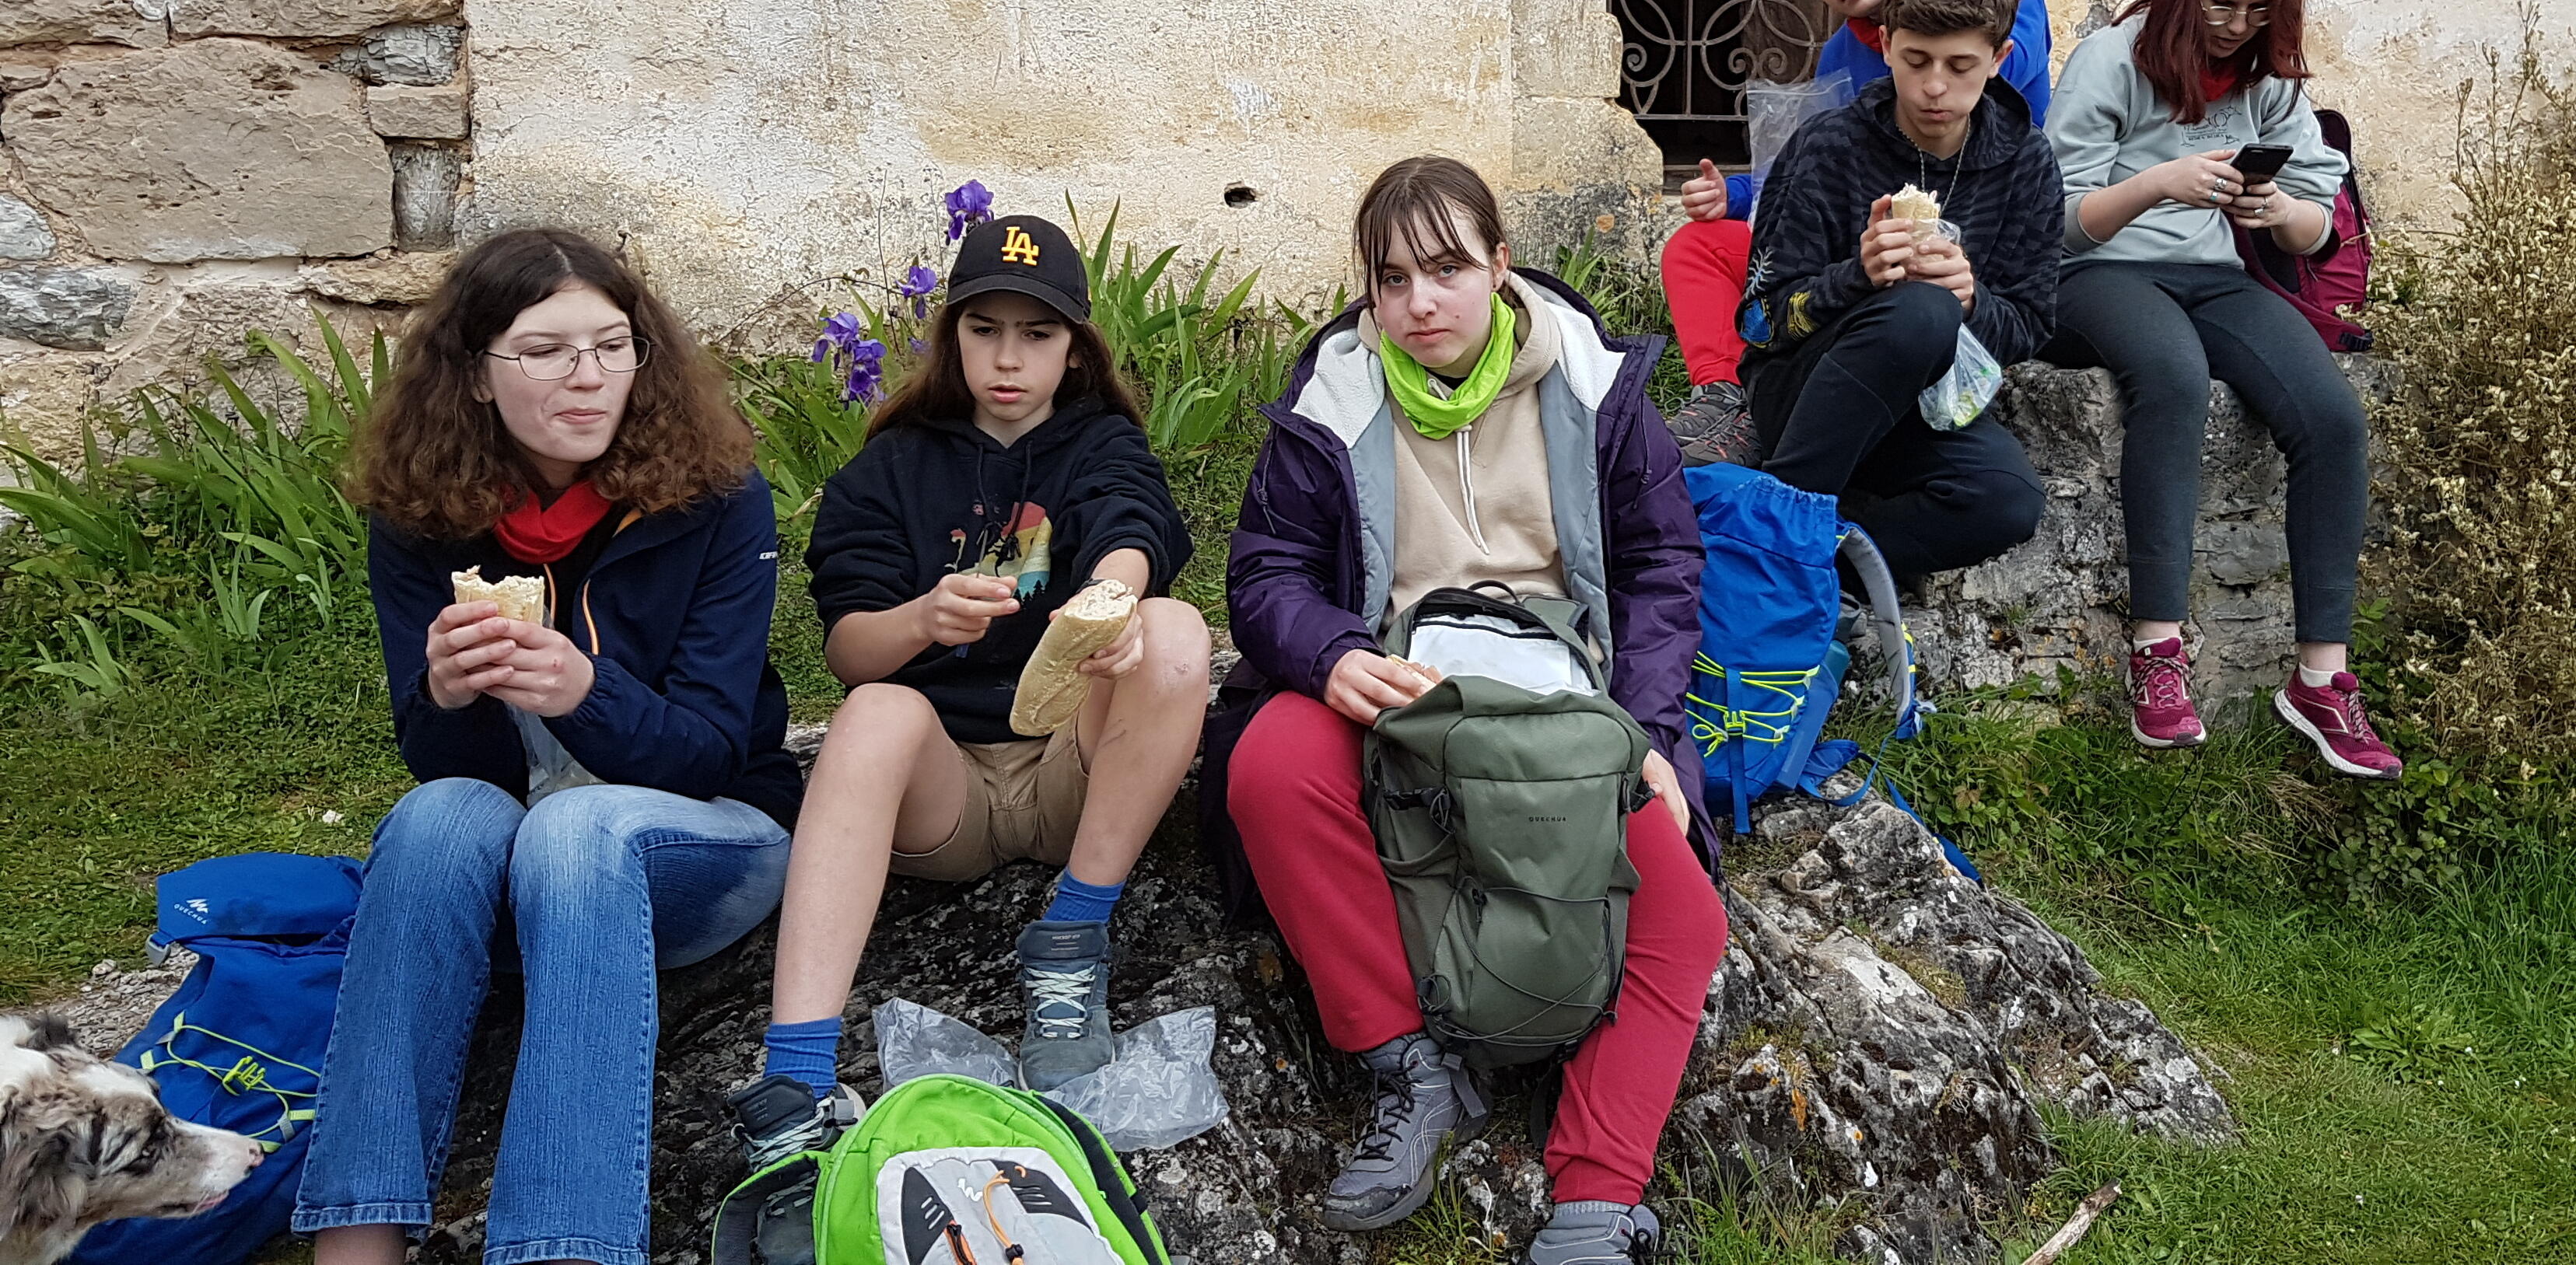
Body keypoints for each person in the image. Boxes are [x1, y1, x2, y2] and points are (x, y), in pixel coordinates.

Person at [1222, 157, 1723, 1264]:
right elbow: (1265, 574)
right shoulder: (1334, 396)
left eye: (1447, 268)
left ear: (1501, 265)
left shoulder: (1591, 386)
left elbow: (1662, 567)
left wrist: (1646, 734)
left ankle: (1594, 1199)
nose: (1419, 303)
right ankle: (1414, 1070)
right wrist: (1331, 655)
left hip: (1563, 701)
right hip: (1400, 687)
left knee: (1683, 916)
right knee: (1270, 766)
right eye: (1392, 279)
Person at [302, 229, 803, 1265]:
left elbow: (713, 752)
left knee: (576, 828)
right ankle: (357, 1239)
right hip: (522, 870)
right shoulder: (420, 515)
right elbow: (452, 770)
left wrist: (586, 694)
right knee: (434, 815)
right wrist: (447, 697)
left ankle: (563, 1247)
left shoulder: (716, 496)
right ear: (476, 374)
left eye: (613, 346)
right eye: (544, 351)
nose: (588, 377)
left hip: (704, 843)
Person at [723, 212, 1209, 1169]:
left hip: (1074, 770)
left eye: (1037, 333)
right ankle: (796, 1080)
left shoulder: (1098, 440)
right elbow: (849, 650)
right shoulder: (890, 465)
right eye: (985, 330)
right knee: (875, 709)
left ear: (1075, 349)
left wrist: (1111, 603)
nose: (1008, 358)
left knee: (1177, 632)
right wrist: (922, 619)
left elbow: (1134, 521)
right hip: (944, 793)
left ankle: (1071, 940)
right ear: (951, 337)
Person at [2043, 0, 2396, 778]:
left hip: (2214, 276)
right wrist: (2157, 184)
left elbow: (2318, 228)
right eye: (2222, 4)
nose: (2238, 25)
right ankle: (2157, 654)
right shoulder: (2111, 59)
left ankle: (2321, 679)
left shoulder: (2270, 80)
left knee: (2331, 416)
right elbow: (2057, 223)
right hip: (2097, 274)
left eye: (2259, 10)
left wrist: (2277, 211)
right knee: (2172, 374)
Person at [1661, 0, 2056, 465]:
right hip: (1848, 277)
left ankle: (1803, 501)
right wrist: (1736, 194)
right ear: (1891, 47)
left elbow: (2009, 83)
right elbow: (1805, 173)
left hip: (1970, 240)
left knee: (2004, 494)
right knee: (1696, 245)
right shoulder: (1839, 59)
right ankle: (1727, 398)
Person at [1735, 0, 2062, 584]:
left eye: (1960, 66)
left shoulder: (2027, 163)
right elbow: (1757, 324)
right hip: (1805, 399)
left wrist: (1973, 301)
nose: (1935, 86)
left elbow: (2030, 326)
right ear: (1886, 46)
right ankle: (1776, 533)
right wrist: (1855, 276)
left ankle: (1814, 568)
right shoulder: (1829, 146)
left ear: (1998, 60)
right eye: (1916, 61)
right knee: (1920, 310)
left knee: (2007, 500)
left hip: (1926, 408)